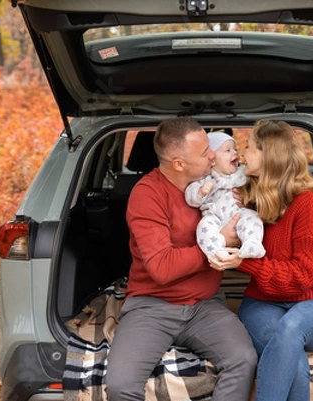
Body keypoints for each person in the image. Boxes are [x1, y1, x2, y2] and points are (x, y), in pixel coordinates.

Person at [105, 117, 258, 401]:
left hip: (204, 306)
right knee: (120, 385)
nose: (212, 154)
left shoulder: (215, 184)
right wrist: (219, 243)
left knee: (243, 359)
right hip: (152, 306)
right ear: (178, 164)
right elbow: (162, 268)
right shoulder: (147, 194)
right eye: (204, 153)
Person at [209, 120, 313, 401]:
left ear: (270, 155)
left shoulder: (307, 203)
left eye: (249, 147)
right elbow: (207, 188)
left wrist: (244, 262)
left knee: (290, 327)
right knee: (290, 355)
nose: (243, 154)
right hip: (262, 302)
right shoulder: (247, 195)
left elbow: (301, 277)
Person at [185, 131, 265, 261]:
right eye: (227, 150)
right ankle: (215, 253)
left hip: (240, 213)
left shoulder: (243, 174)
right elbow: (190, 197)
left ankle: (252, 245)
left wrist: (251, 198)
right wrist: (200, 192)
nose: (235, 152)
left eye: (235, 149)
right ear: (212, 160)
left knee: (253, 218)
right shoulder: (204, 178)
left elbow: (260, 186)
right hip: (214, 217)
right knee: (204, 227)